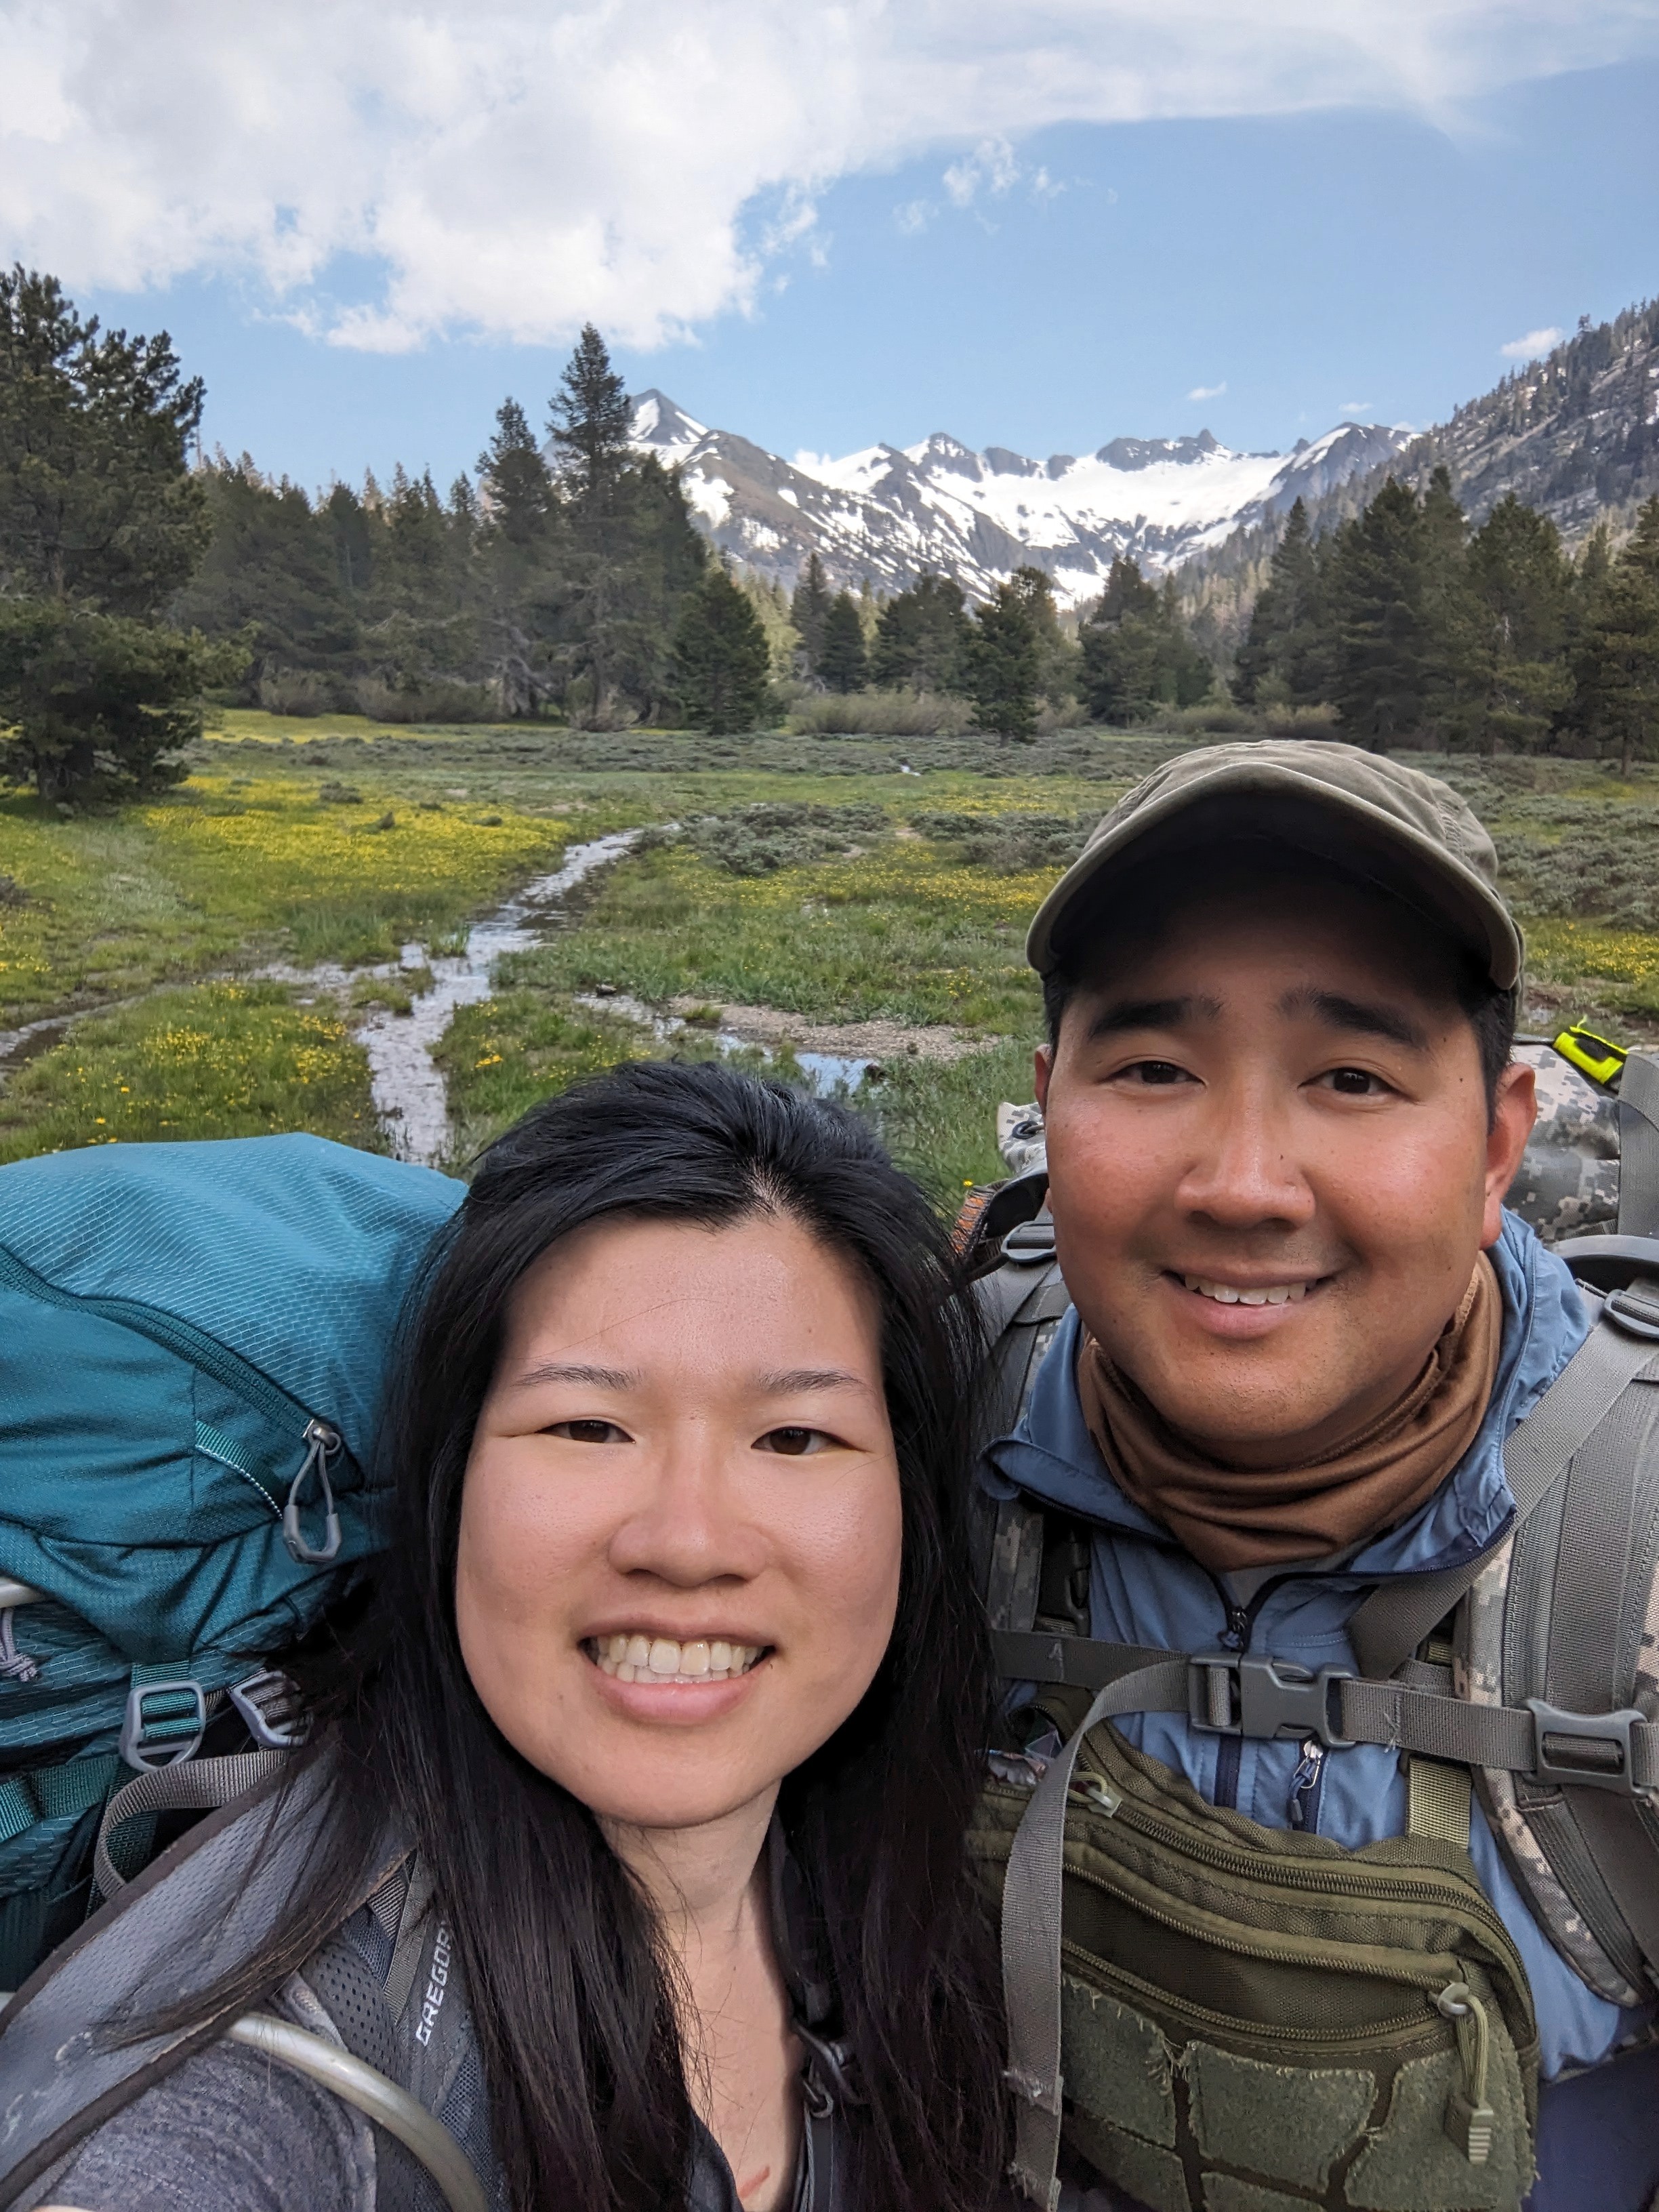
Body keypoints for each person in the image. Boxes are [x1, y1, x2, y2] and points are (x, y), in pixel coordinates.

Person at [1, 1061, 1007, 2212]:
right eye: (587, 1424)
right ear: (453, 1484)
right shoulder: (281, 2046)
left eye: (792, 1437)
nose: (688, 1541)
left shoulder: (904, 1887)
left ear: (909, 1503)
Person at [977, 742, 1659, 2212]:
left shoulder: (1643, 1540)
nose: (1241, 1181)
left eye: (1351, 1076)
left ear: (1497, 1146)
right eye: (1153, 1069)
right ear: (1051, 1106)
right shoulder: (901, 1429)